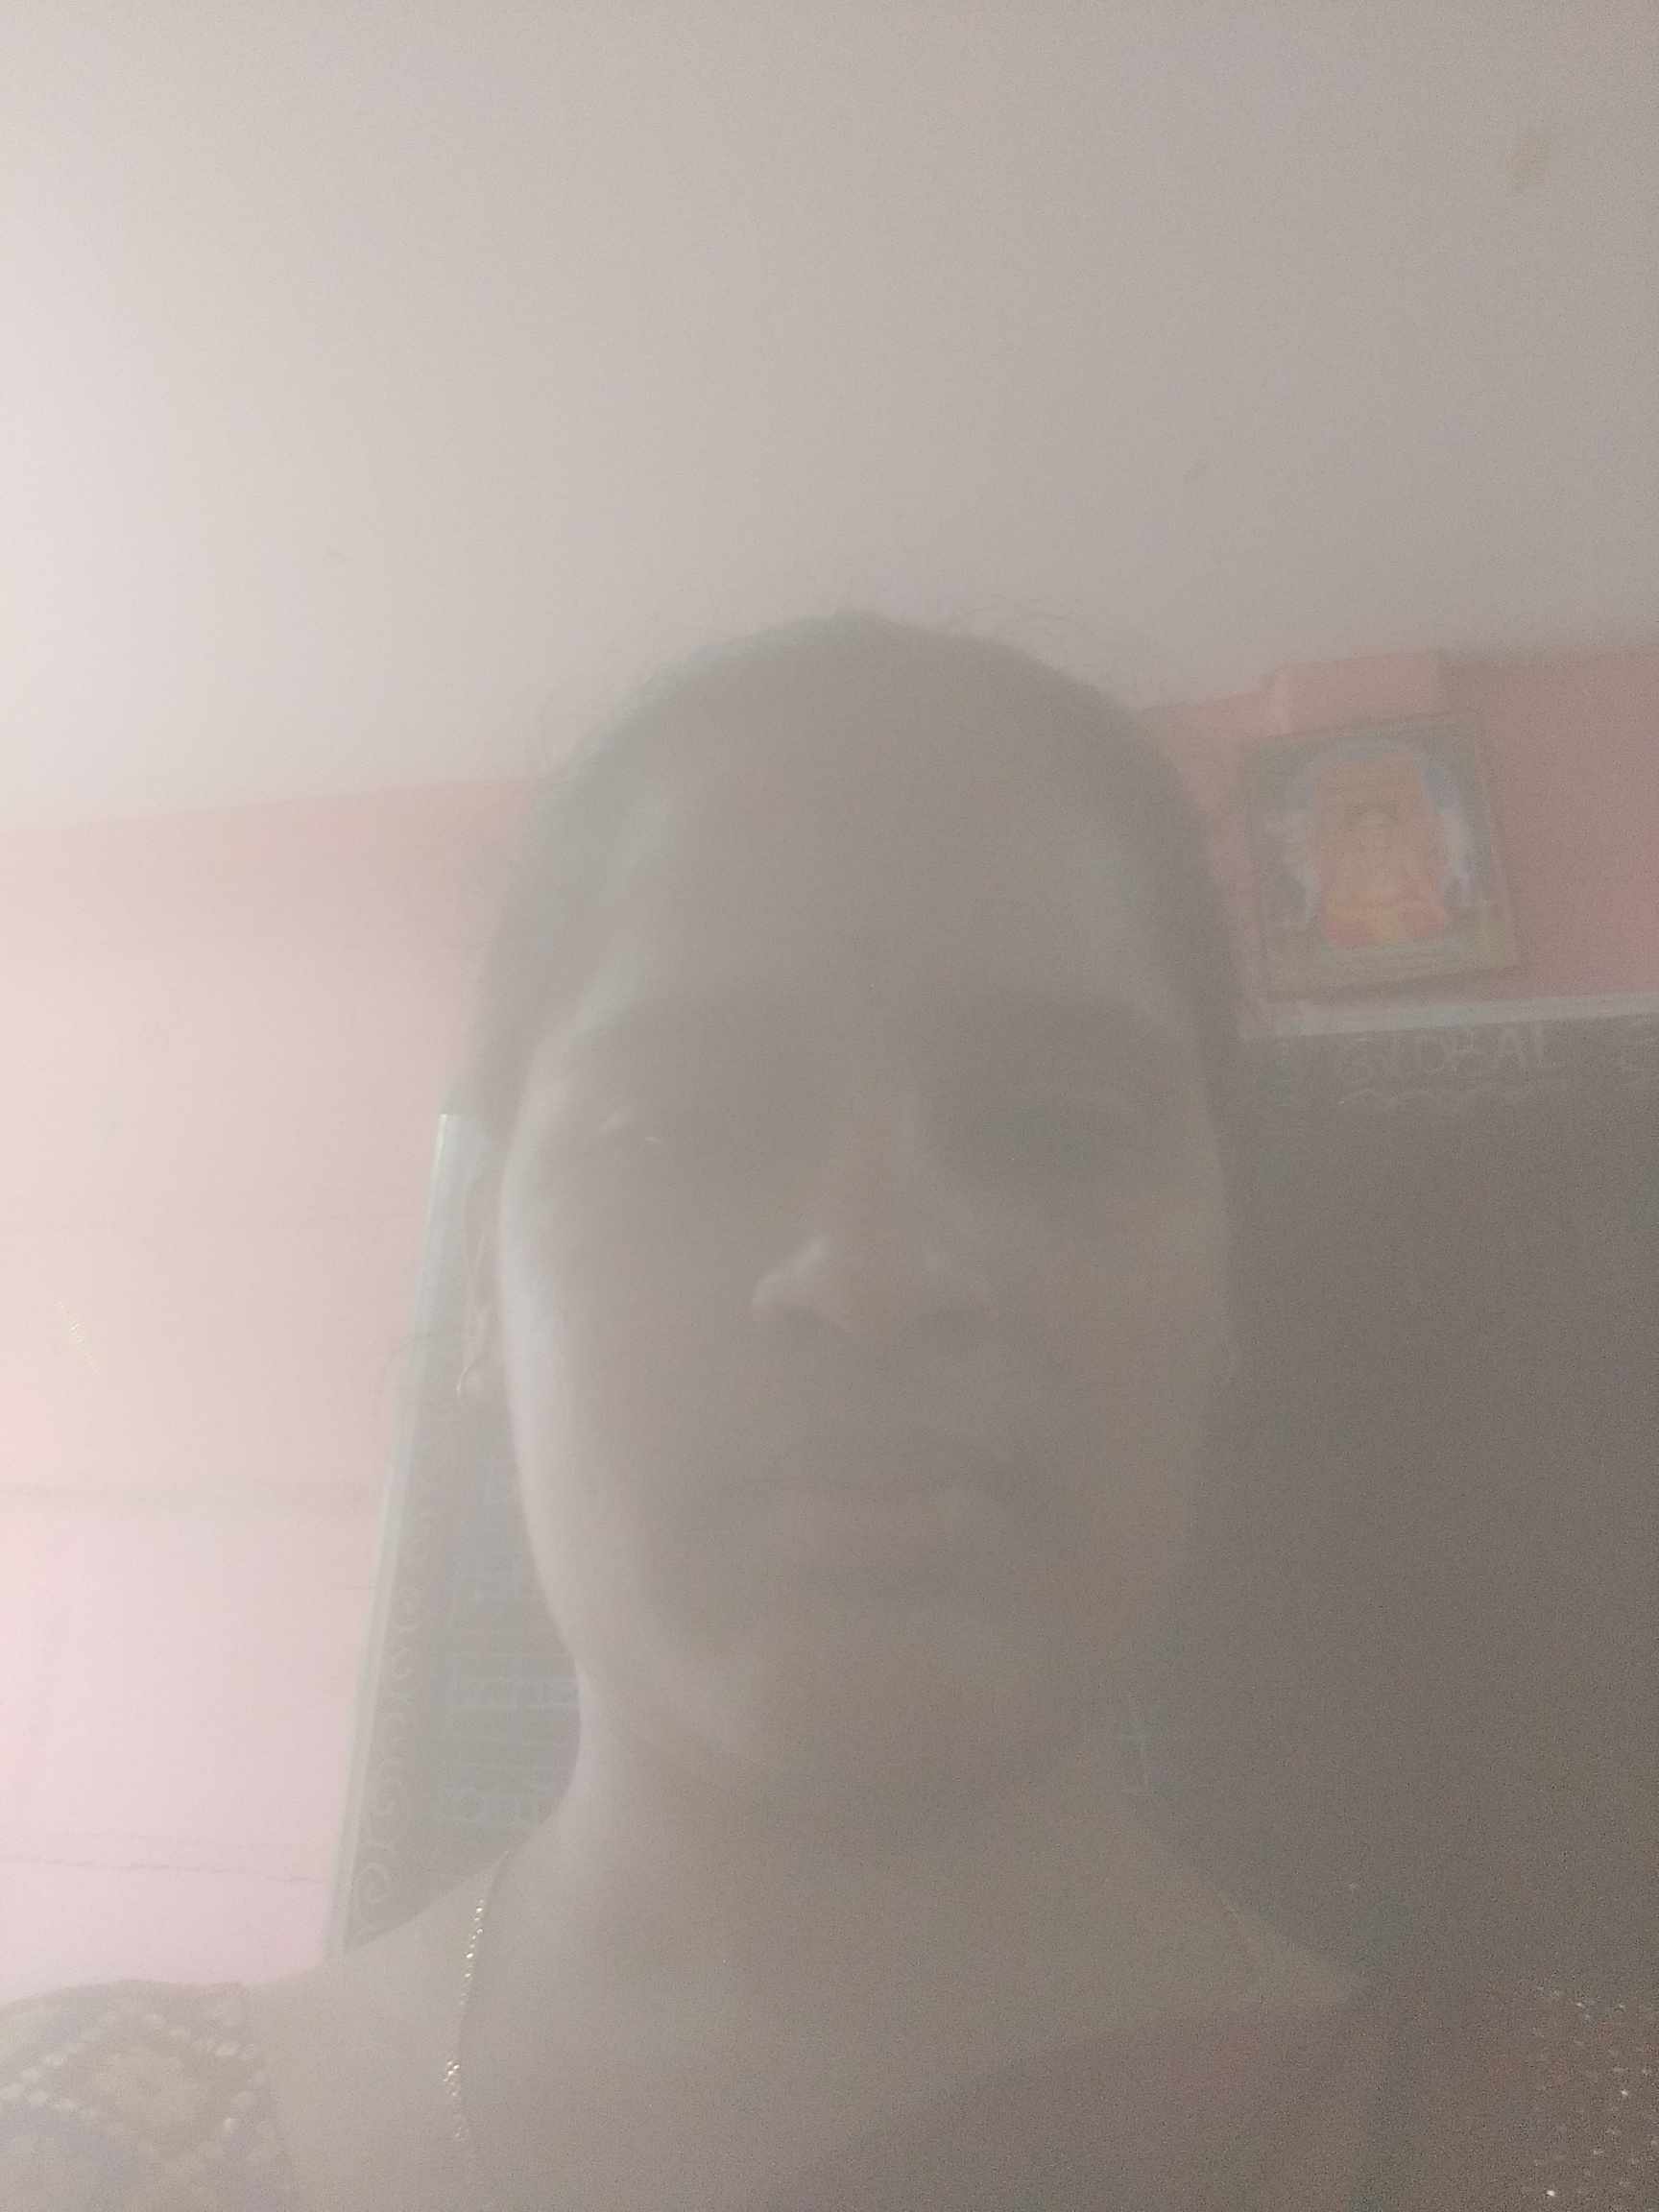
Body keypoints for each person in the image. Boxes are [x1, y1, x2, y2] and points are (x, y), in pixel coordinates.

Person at [2, 615, 1652, 2209]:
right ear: (486, 1296)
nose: (869, 1277)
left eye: (1054, 1127)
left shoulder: (1585, 2154)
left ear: (1226, 1275)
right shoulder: (74, 2150)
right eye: (675, 1130)